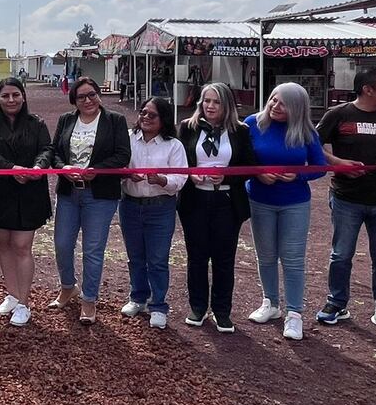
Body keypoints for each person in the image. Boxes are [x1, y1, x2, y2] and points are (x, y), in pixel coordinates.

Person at [315, 67, 376, 338]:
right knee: (341, 255)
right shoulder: (338, 115)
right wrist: (338, 164)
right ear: (368, 89)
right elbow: (311, 146)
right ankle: (336, 303)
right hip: (346, 198)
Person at [243, 83, 326, 341]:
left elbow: (320, 166)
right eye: (273, 100)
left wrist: (297, 176)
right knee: (265, 255)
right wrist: (258, 174)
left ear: (297, 108)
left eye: (283, 103)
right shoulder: (251, 124)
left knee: (292, 258)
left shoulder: (306, 132)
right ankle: (271, 303)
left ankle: (294, 313)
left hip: (295, 202)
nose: (275, 107)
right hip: (260, 198)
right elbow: (241, 159)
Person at [177, 82, 257, 334]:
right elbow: (179, 161)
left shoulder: (240, 131)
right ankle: (198, 307)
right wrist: (190, 175)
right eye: (206, 101)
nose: (209, 106)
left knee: (224, 259)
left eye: (216, 102)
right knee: (197, 257)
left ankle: (222, 311)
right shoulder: (188, 128)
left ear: (227, 105)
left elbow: (248, 166)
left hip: (226, 203)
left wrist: (228, 177)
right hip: (195, 201)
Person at [50, 77, 130, 324]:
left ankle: (89, 299)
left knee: (93, 250)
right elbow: (54, 153)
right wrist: (64, 167)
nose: (88, 100)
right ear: (74, 100)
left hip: (100, 195)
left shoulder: (114, 120)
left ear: (99, 95)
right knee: (62, 244)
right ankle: (67, 287)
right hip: (69, 192)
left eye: (92, 94)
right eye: (82, 96)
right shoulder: (66, 120)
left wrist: (97, 169)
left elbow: (122, 155)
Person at [0, 77, 52, 327]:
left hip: (29, 191)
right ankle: (12, 293)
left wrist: (37, 167)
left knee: (21, 245)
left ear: (23, 97)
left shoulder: (36, 123)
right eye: (5, 96)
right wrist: (11, 168)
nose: (11, 100)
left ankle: (24, 303)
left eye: (15, 95)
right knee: (5, 244)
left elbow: (47, 149)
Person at [119, 96, 187, 330]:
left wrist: (161, 179)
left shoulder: (174, 145)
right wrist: (127, 173)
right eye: (143, 112)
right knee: (135, 256)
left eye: (152, 114)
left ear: (164, 119)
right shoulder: (127, 138)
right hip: (130, 205)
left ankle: (158, 305)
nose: (146, 117)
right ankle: (138, 297)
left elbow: (181, 178)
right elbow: (116, 166)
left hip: (161, 207)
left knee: (157, 259)